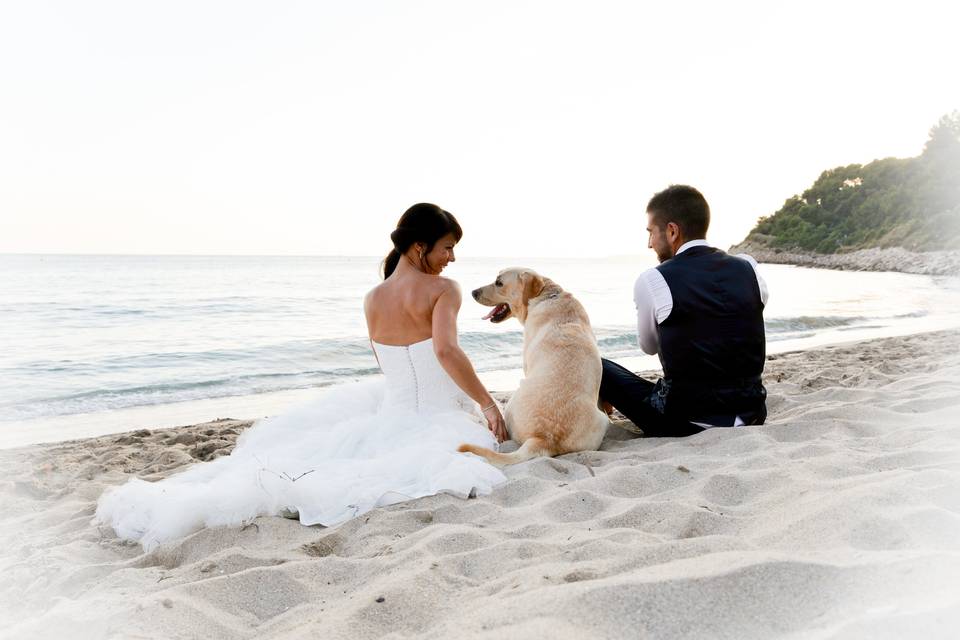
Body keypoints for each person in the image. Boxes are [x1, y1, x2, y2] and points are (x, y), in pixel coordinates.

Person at [96, 203, 507, 551]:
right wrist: (487, 404)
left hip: (392, 416)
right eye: (447, 248)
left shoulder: (373, 298)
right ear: (420, 247)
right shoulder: (444, 290)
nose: (451, 259)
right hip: (432, 421)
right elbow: (445, 351)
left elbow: (387, 365)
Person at [599, 185, 769, 437]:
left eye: (651, 233)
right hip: (753, 413)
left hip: (685, 420)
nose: (649, 243)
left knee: (597, 364)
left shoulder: (654, 279)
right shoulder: (748, 267)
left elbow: (648, 347)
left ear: (672, 231)